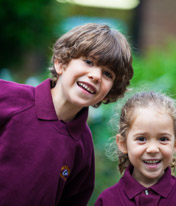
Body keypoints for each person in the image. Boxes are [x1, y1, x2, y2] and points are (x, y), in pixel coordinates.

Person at [0, 23, 133, 206]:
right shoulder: (7, 97)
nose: (95, 75)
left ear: (109, 92)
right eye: (88, 62)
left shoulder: (83, 150)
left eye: (107, 73)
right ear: (61, 63)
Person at [95, 91, 176, 206]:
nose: (153, 149)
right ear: (123, 143)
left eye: (163, 139)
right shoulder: (108, 200)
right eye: (141, 139)